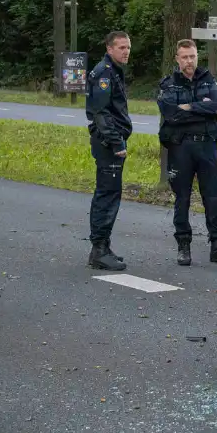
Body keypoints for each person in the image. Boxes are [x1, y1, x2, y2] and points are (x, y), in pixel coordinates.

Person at [156, 39, 217, 266]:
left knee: (213, 197)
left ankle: (216, 243)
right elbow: (171, 114)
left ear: (197, 56)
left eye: (192, 56)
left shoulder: (208, 80)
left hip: (206, 146)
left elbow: (216, 107)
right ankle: (183, 245)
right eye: (185, 57)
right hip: (181, 148)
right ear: (177, 59)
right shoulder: (169, 84)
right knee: (182, 198)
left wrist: (189, 107)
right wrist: (200, 108)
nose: (189, 61)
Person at [85, 31, 133, 271]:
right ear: (109, 48)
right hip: (107, 144)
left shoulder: (113, 70)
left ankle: (103, 246)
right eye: (121, 47)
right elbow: (101, 113)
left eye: (128, 47)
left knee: (110, 193)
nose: (126, 51)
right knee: (107, 194)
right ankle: (99, 249)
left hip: (110, 141)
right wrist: (117, 143)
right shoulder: (104, 73)